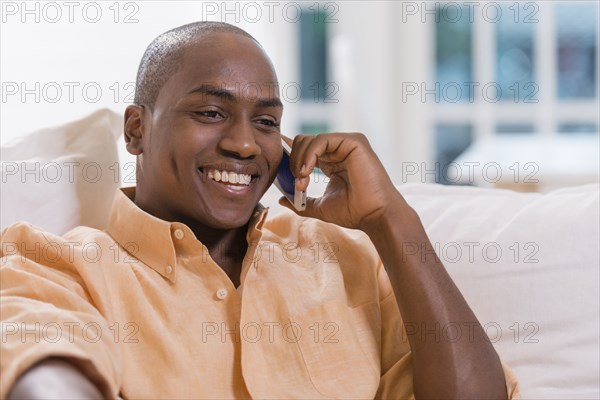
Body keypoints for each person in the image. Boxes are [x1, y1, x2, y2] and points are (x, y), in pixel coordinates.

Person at [1, 21, 520, 399]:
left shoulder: (350, 260)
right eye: (210, 112)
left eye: (267, 122)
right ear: (136, 129)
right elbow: (45, 368)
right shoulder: (57, 265)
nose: (246, 145)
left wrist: (391, 220)